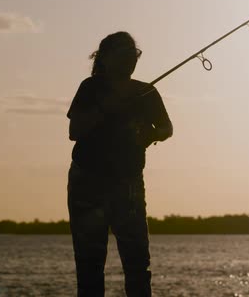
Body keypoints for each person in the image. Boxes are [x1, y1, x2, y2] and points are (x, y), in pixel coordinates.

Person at [66, 31, 173, 297]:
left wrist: (154, 134)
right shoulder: (90, 88)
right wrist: (105, 108)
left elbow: (167, 127)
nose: (130, 60)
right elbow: (75, 130)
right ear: (105, 59)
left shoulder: (146, 91)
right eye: (124, 54)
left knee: (137, 263)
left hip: (129, 184)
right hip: (87, 183)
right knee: (89, 265)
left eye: (133, 54)